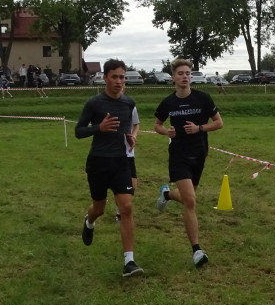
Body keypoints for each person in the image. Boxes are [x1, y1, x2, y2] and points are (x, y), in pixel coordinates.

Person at [74, 59, 142, 277]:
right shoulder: (94, 103)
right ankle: (89, 221)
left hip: (121, 162)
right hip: (98, 162)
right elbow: (78, 131)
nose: (119, 81)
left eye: (122, 77)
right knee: (99, 209)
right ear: (105, 78)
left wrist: (129, 136)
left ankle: (129, 262)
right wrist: (99, 128)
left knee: (127, 207)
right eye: (114, 77)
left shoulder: (128, 103)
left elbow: (125, 127)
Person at [154, 58, 224, 268]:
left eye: (188, 73)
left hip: (199, 154)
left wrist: (200, 128)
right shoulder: (168, 103)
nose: (185, 76)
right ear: (173, 77)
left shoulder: (203, 98)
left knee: (187, 197)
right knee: (191, 201)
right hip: (178, 156)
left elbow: (219, 123)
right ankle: (197, 250)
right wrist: (167, 131)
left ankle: (166, 194)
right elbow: (157, 124)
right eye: (181, 73)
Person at [116, 106, 140, 222]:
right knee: (119, 186)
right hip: (113, 152)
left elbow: (136, 125)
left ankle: (121, 208)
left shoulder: (131, 106)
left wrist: (134, 136)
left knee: (132, 185)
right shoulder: (107, 105)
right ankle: (120, 212)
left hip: (129, 152)